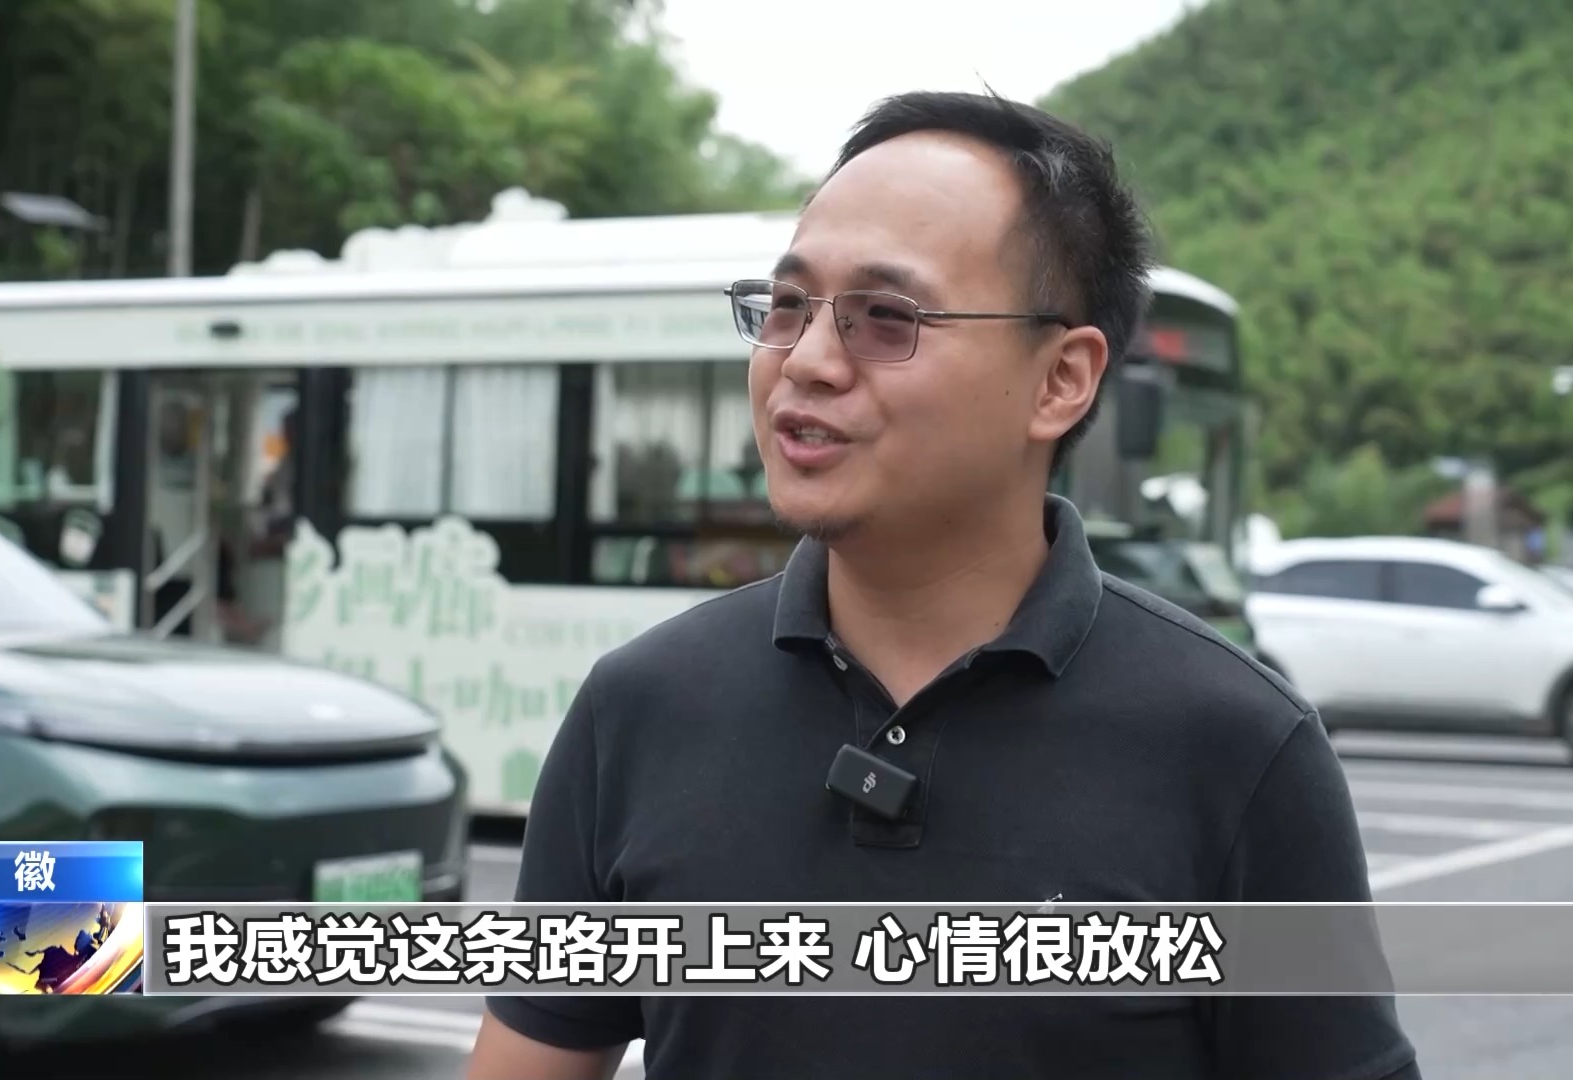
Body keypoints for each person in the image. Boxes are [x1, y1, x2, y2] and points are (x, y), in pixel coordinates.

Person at [467, 90, 1420, 1080]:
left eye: (886, 318)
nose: (807, 361)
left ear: (1061, 380)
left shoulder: (1239, 748)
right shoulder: (639, 708)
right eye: (787, 307)